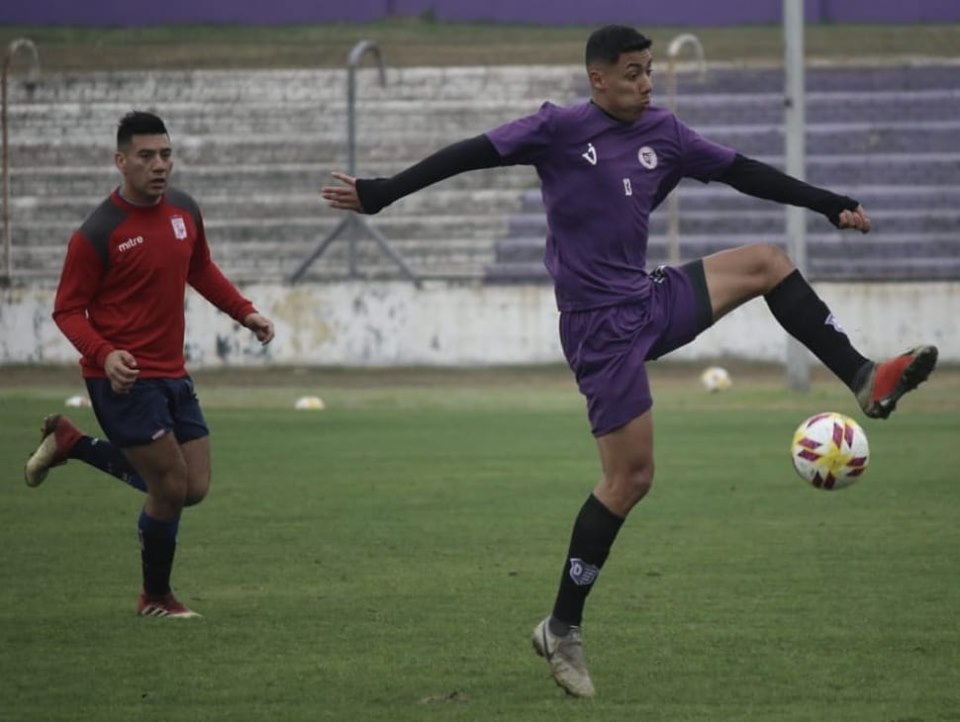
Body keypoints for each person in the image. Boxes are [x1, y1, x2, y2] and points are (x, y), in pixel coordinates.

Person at [320, 25, 938, 697]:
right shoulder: (556, 129)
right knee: (630, 479)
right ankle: (562, 628)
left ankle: (863, 377)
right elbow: (470, 154)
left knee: (767, 262)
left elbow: (741, 171)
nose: (648, 83)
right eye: (635, 73)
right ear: (598, 79)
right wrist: (383, 192)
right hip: (598, 332)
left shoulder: (664, 132)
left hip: (648, 299)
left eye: (649, 71)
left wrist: (830, 204)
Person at [24, 110, 275, 619]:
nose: (159, 165)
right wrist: (105, 354)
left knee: (193, 487)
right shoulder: (98, 232)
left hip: (173, 373)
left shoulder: (184, 210)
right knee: (168, 487)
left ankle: (72, 443)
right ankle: (155, 598)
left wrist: (244, 312)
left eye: (165, 154)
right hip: (123, 380)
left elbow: (199, 268)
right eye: (146, 156)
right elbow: (67, 309)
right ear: (121, 161)